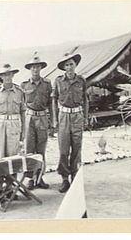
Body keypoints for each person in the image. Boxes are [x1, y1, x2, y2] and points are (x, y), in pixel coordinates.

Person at [52, 53, 89, 193]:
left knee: (77, 148)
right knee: (63, 150)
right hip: (63, 117)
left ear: (75, 65)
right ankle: (64, 179)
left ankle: (75, 177)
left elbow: (85, 99)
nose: (69, 67)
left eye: (71, 64)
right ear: (63, 68)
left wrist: (85, 117)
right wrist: (55, 119)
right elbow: (54, 100)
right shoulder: (58, 81)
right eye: (66, 65)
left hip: (77, 116)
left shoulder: (81, 81)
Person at [20, 54, 53, 190]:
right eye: (33, 67)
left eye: (37, 67)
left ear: (41, 68)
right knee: (29, 149)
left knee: (41, 149)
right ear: (30, 69)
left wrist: (52, 120)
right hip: (29, 118)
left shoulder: (47, 84)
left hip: (42, 117)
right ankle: (30, 179)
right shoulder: (24, 85)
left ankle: (39, 177)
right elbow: (21, 105)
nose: (35, 69)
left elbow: (51, 103)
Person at [0, 63, 26, 159]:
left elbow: (23, 112)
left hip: (14, 124)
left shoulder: (19, 91)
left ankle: (12, 175)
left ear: (13, 75)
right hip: (0, 124)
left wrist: (23, 131)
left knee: (13, 156)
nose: (7, 77)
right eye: (5, 75)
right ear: (1, 76)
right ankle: (1, 174)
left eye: (9, 74)